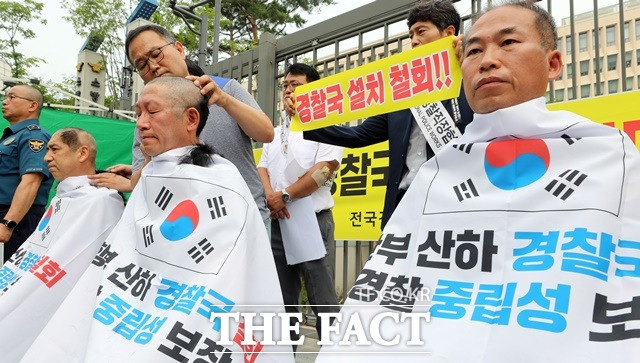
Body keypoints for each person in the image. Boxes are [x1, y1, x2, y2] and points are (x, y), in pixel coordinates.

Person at [317, 1, 640, 361]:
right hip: (419, 214)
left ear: (553, 64)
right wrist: (307, 118)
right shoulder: (404, 103)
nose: (487, 60)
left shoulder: (607, 155)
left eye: (507, 43)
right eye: (476, 51)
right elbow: (358, 136)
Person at [21, 77, 291, 362]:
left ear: (190, 118)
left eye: (152, 111)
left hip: (181, 322)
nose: (140, 123)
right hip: (129, 308)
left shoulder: (221, 181)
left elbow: (222, 278)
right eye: (138, 114)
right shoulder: (151, 175)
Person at [303, 0, 474, 229]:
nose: (414, 40)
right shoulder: (401, 94)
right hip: (404, 206)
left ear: (449, 32)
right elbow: (358, 135)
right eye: (411, 34)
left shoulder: (472, 78)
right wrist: (304, 119)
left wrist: (472, 60)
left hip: (457, 206)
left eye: (421, 31)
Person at [89, 24, 274, 226]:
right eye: (142, 64)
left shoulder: (224, 88)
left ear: (179, 49)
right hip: (184, 229)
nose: (152, 66)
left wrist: (225, 101)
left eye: (156, 54)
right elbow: (140, 182)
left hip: (244, 218)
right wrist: (148, 159)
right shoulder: (144, 120)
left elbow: (266, 133)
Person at [0, 127, 124, 362]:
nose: (46, 157)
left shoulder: (101, 201)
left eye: (54, 149)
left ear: (82, 153)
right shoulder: (62, 198)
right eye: (47, 150)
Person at [258, 63, 343, 346]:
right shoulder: (276, 130)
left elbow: (324, 170)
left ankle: (333, 353)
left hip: (312, 222)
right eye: (285, 85)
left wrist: (285, 196)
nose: (289, 90)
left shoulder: (325, 124)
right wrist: (272, 196)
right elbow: (263, 169)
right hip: (278, 222)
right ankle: (285, 354)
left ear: (313, 88)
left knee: (323, 300)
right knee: (283, 300)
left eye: (296, 84)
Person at [0, 85, 53, 262]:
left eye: (12, 97)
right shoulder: (10, 137)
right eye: (5, 97)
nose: (5, 101)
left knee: (7, 283)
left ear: (32, 106)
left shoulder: (34, 137)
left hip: (17, 219)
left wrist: (9, 223)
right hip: (8, 216)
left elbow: (31, 182)